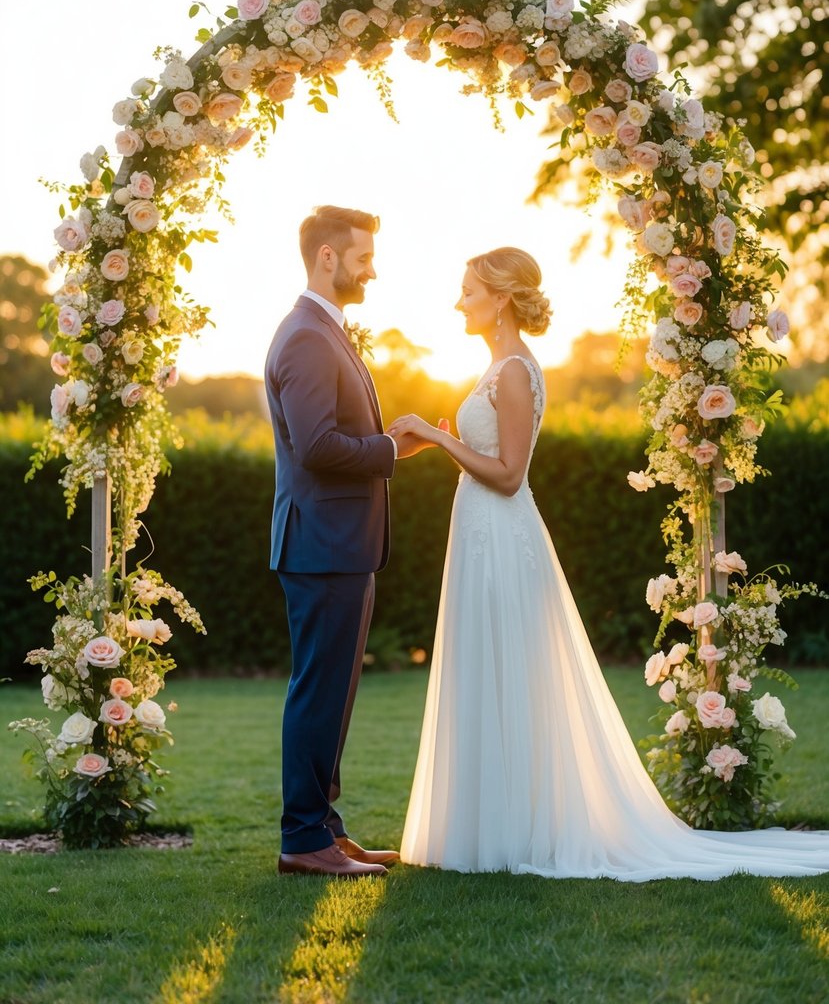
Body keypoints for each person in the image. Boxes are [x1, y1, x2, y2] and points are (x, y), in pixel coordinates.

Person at [388, 247, 829, 880]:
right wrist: (445, 444)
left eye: (468, 292)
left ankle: (512, 831)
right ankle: (489, 827)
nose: (460, 303)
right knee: (488, 665)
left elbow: (511, 476)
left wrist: (438, 439)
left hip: (501, 533)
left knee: (507, 669)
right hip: (481, 532)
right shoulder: (499, 366)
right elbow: (488, 459)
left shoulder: (513, 370)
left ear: (501, 298)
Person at [265, 205, 421, 878]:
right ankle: (302, 839)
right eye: (362, 257)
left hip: (340, 543)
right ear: (327, 257)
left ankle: (325, 827)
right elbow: (317, 446)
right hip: (321, 544)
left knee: (334, 692)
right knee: (317, 692)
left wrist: (392, 447)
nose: (371, 269)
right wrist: (390, 447)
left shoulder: (324, 331)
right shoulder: (304, 336)